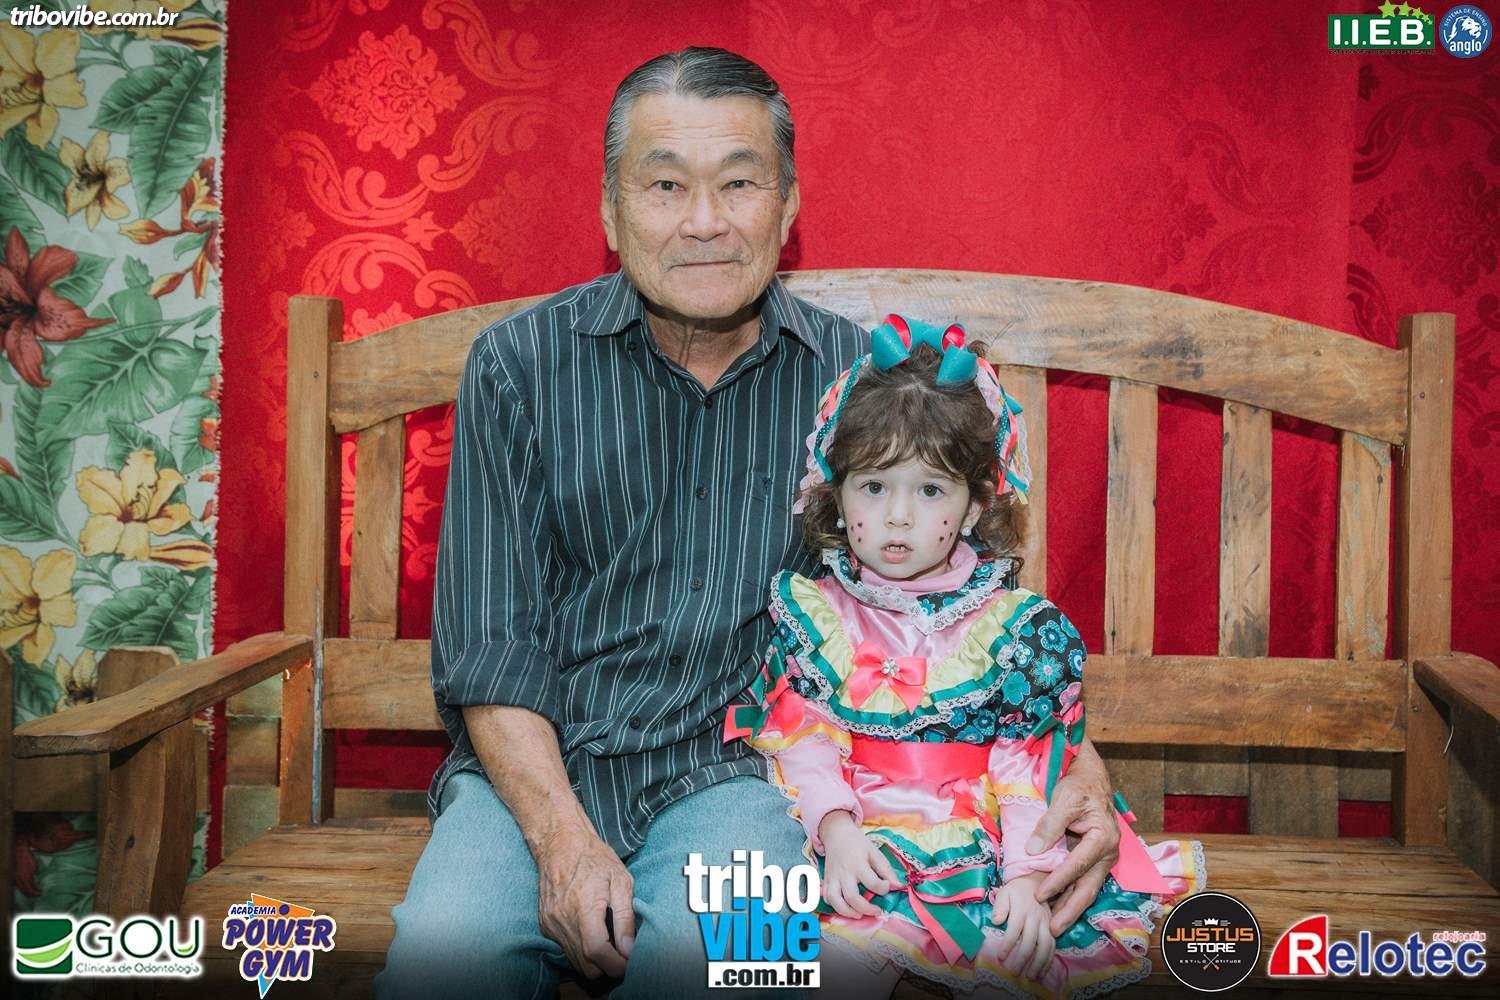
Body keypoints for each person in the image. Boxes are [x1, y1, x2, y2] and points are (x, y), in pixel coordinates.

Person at [378, 48, 1124, 998]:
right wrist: (563, 844)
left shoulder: (858, 385)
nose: (705, 221)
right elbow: (490, 648)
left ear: (788, 205)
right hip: (530, 776)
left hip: (742, 777)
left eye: (739, 183)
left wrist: (1078, 769)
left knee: (731, 970)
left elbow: (963, 613)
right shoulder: (518, 366)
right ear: (609, 210)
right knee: (448, 961)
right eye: (664, 186)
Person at [726, 316, 1206, 998]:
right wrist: (835, 829)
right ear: (835, 491)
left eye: (930, 490)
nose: (898, 516)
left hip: (983, 850)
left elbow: (1026, 761)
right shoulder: (817, 617)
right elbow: (803, 738)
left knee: (1010, 965)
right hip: (854, 843)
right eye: (873, 487)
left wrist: (1028, 879)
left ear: (976, 506)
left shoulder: (1008, 630)